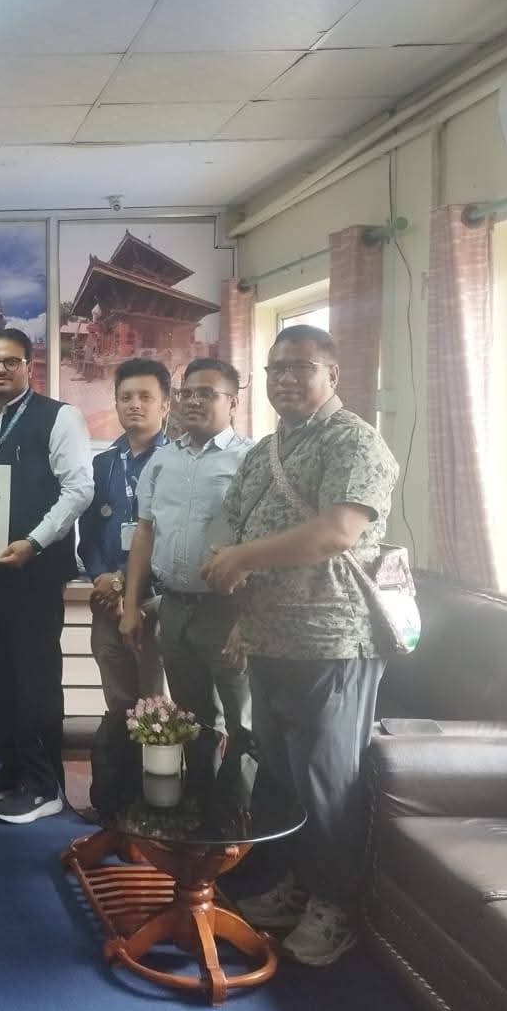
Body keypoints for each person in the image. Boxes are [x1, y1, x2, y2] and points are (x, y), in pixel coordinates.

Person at [200, 326, 398, 967]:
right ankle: (294, 886)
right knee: (281, 777)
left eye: (301, 367)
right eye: (276, 369)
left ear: (332, 374)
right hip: (270, 638)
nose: (286, 379)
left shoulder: (355, 442)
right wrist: (241, 612)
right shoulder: (266, 450)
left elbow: (337, 532)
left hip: (331, 639)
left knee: (326, 779)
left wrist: (240, 559)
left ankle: (336, 907)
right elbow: (239, 526)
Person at [0, 329, 92, 824]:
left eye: (10, 361)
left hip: (34, 568)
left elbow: (78, 490)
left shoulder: (59, 417)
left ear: (28, 366)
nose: (0, 369)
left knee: (35, 675)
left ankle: (44, 784)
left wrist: (34, 541)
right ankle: (13, 766)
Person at [121, 358, 253, 744]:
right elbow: (145, 533)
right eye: (188, 393)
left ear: (233, 402)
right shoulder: (163, 459)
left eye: (206, 393)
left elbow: (262, 540)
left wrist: (250, 619)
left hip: (228, 610)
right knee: (190, 720)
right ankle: (198, 782)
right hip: (174, 608)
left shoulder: (251, 459)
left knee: (242, 723)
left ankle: (239, 786)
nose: (193, 401)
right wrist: (130, 606)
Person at [77, 358, 171, 719]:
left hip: (157, 600)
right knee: (119, 704)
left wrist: (123, 581)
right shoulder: (103, 464)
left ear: (165, 405)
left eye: (146, 397)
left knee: (156, 708)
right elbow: (88, 533)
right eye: (126, 397)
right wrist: (103, 578)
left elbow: (169, 536)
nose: (135, 404)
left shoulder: (177, 462)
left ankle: (158, 760)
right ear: (115, 403)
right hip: (107, 603)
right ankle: (120, 758)